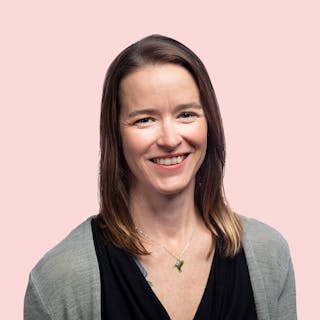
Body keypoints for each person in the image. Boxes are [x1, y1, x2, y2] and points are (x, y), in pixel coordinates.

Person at [24, 34, 297, 320]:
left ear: (210, 124)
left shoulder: (269, 254)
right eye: (145, 119)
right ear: (116, 135)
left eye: (186, 115)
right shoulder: (59, 279)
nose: (169, 139)